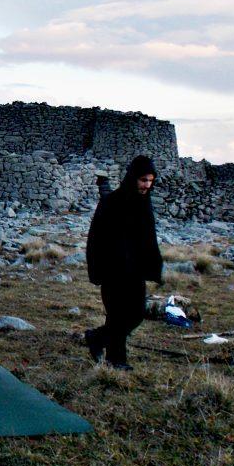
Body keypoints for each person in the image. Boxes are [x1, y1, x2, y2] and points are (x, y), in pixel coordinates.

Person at [83, 156, 163, 370]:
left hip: (134, 272)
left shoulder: (144, 204)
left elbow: (148, 238)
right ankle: (116, 361)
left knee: (136, 314)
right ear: (133, 178)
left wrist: (153, 265)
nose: (147, 185)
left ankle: (97, 338)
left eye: (150, 181)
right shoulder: (112, 202)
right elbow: (96, 238)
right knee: (117, 316)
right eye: (143, 180)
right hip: (113, 271)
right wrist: (98, 268)